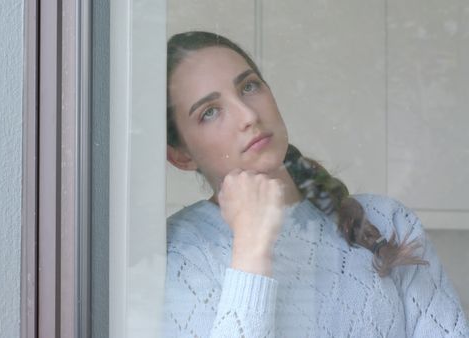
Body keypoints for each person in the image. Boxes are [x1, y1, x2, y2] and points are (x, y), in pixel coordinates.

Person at [163, 31, 468, 337]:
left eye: (249, 86)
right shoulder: (179, 250)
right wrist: (251, 248)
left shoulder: (389, 223)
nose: (248, 115)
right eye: (210, 112)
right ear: (181, 156)